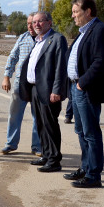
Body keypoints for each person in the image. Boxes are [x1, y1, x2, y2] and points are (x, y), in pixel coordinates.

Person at [63, 0, 104, 188]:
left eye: (76, 12)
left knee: (91, 133)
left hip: (86, 90)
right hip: (76, 89)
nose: (73, 16)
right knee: (81, 131)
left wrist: (82, 82)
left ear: (88, 11)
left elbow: (100, 61)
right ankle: (85, 168)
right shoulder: (83, 32)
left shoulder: (99, 30)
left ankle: (94, 175)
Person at [18, 12, 69, 172]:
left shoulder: (56, 39)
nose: (37, 25)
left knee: (50, 124)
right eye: (34, 22)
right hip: (35, 89)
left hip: (49, 91)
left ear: (49, 22)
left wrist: (57, 90)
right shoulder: (38, 40)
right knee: (40, 124)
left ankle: (54, 160)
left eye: (40, 21)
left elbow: (61, 67)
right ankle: (46, 155)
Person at [1, 14, 42, 156]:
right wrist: (7, 77)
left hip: (38, 85)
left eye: (34, 23)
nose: (31, 26)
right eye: (28, 23)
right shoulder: (23, 38)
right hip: (20, 83)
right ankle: (11, 144)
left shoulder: (45, 39)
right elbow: (12, 57)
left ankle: (37, 146)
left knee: (38, 116)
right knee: (14, 114)